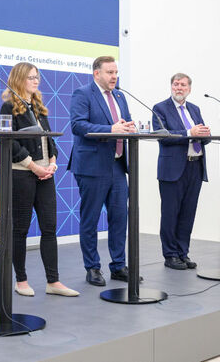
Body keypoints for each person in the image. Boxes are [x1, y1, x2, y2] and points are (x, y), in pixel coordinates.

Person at [0, 62, 79, 297]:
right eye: (30, 77)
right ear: (18, 79)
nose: (35, 81)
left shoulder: (37, 106)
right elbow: (9, 143)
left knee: (49, 227)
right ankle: (21, 280)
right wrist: (33, 166)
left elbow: (48, 139)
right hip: (22, 174)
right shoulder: (8, 107)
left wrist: (53, 162)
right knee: (21, 228)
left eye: (37, 77)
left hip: (46, 174)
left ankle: (53, 281)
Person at [68, 56, 140, 286]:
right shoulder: (83, 94)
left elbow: (124, 123)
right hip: (92, 166)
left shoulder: (119, 96)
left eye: (116, 72)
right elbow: (78, 125)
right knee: (90, 218)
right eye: (110, 72)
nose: (114, 77)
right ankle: (92, 267)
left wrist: (129, 127)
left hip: (117, 165)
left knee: (119, 217)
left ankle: (118, 266)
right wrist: (111, 129)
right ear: (96, 74)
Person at [152, 73, 210, 270]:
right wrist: (189, 133)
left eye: (183, 85)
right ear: (171, 87)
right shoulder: (160, 108)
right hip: (173, 169)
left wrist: (204, 134)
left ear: (189, 89)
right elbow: (162, 136)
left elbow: (203, 136)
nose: (179, 88)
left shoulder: (195, 109)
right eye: (176, 84)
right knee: (170, 213)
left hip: (195, 165)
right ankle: (170, 255)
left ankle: (182, 253)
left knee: (188, 213)